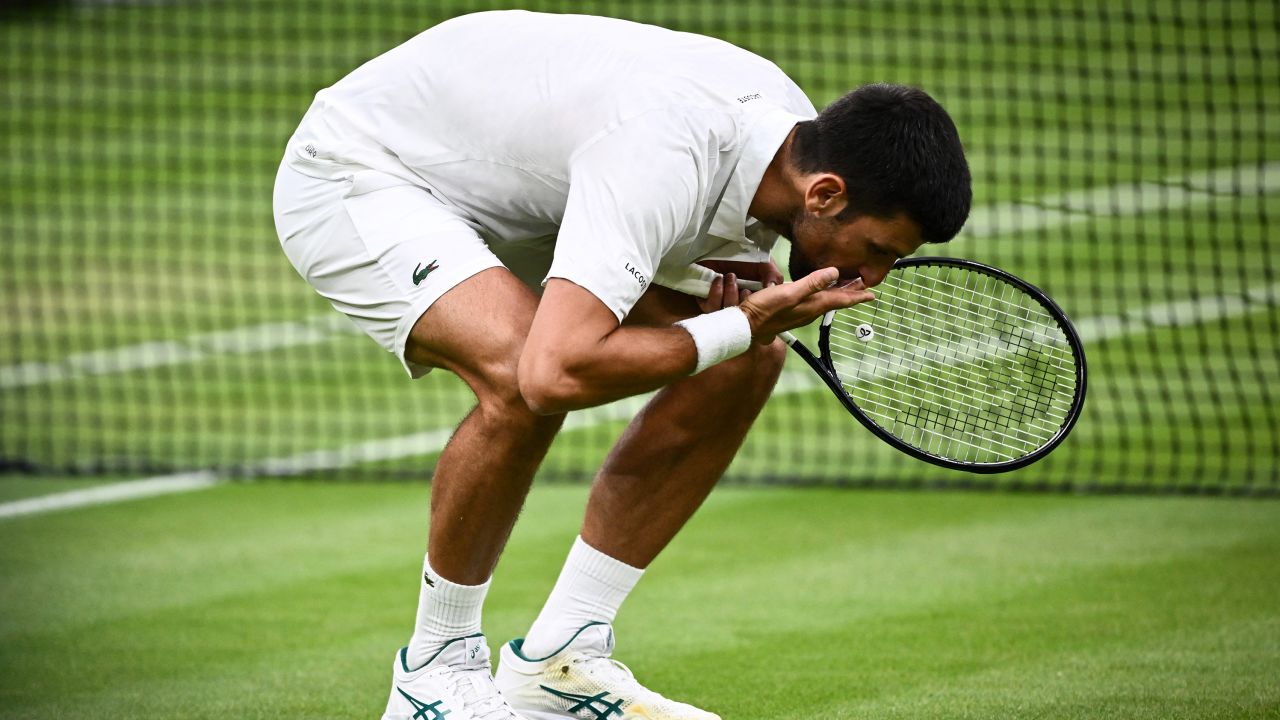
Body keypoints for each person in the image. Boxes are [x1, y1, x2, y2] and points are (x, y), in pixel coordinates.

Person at [273, 10, 970, 720]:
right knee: (523, 376)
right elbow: (554, 374)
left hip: (537, 192)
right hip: (365, 170)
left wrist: (740, 328)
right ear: (824, 193)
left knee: (743, 361)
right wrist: (744, 319)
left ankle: (562, 659)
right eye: (879, 249)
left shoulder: (782, 139)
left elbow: (712, 280)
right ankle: (435, 671)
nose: (873, 277)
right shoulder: (663, 153)